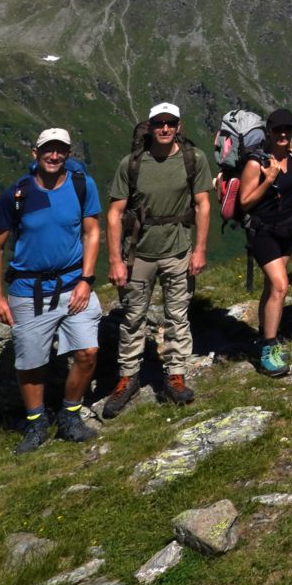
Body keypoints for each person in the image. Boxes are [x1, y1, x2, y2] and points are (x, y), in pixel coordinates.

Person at [0, 127, 103, 452]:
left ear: (68, 154)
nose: (54, 155)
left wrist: (86, 280)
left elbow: (92, 232)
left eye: (60, 150)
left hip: (73, 284)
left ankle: (70, 416)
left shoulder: (82, 185)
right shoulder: (17, 195)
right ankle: (36, 423)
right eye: (48, 149)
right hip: (29, 290)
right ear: (35, 154)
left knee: (88, 353)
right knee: (30, 363)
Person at [102, 103, 209, 418]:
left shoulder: (194, 159)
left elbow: (203, 205)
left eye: (170, 123)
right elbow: (114, 213)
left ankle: (175, 374)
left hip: (178, 251)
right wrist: (115, 260)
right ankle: (128, 377)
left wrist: (200, 251)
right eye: (159, 123)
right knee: (133, 317)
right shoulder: (131, 164)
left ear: (178, 126)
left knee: (178, 315)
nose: (165, 128)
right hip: (138, 254)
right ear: (150, 126)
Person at [237, 108, 292, 378]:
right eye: (278, 130)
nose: (283, 134)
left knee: (272, 287)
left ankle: (264, 338)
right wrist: (268, 179)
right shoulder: (256, 163)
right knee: (280, 286)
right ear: (268, 131)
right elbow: (245, 202)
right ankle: (269, 349)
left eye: (287, 129)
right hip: (263, 231)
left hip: (286, 228)